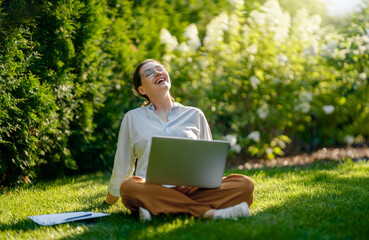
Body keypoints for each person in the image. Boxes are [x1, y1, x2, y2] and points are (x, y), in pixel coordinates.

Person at [104, 59, 254, 221]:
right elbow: (123, 163)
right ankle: (208, 212)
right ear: (142, 89)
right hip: (151, 188)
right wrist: (109, 200)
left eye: (160, 69)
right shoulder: (132, 118)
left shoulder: (194, 114)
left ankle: (157, 209)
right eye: (149, 73)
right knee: (129, 187)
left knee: (244, 184)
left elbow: (208, 163)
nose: (157, 73)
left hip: (192, 189)